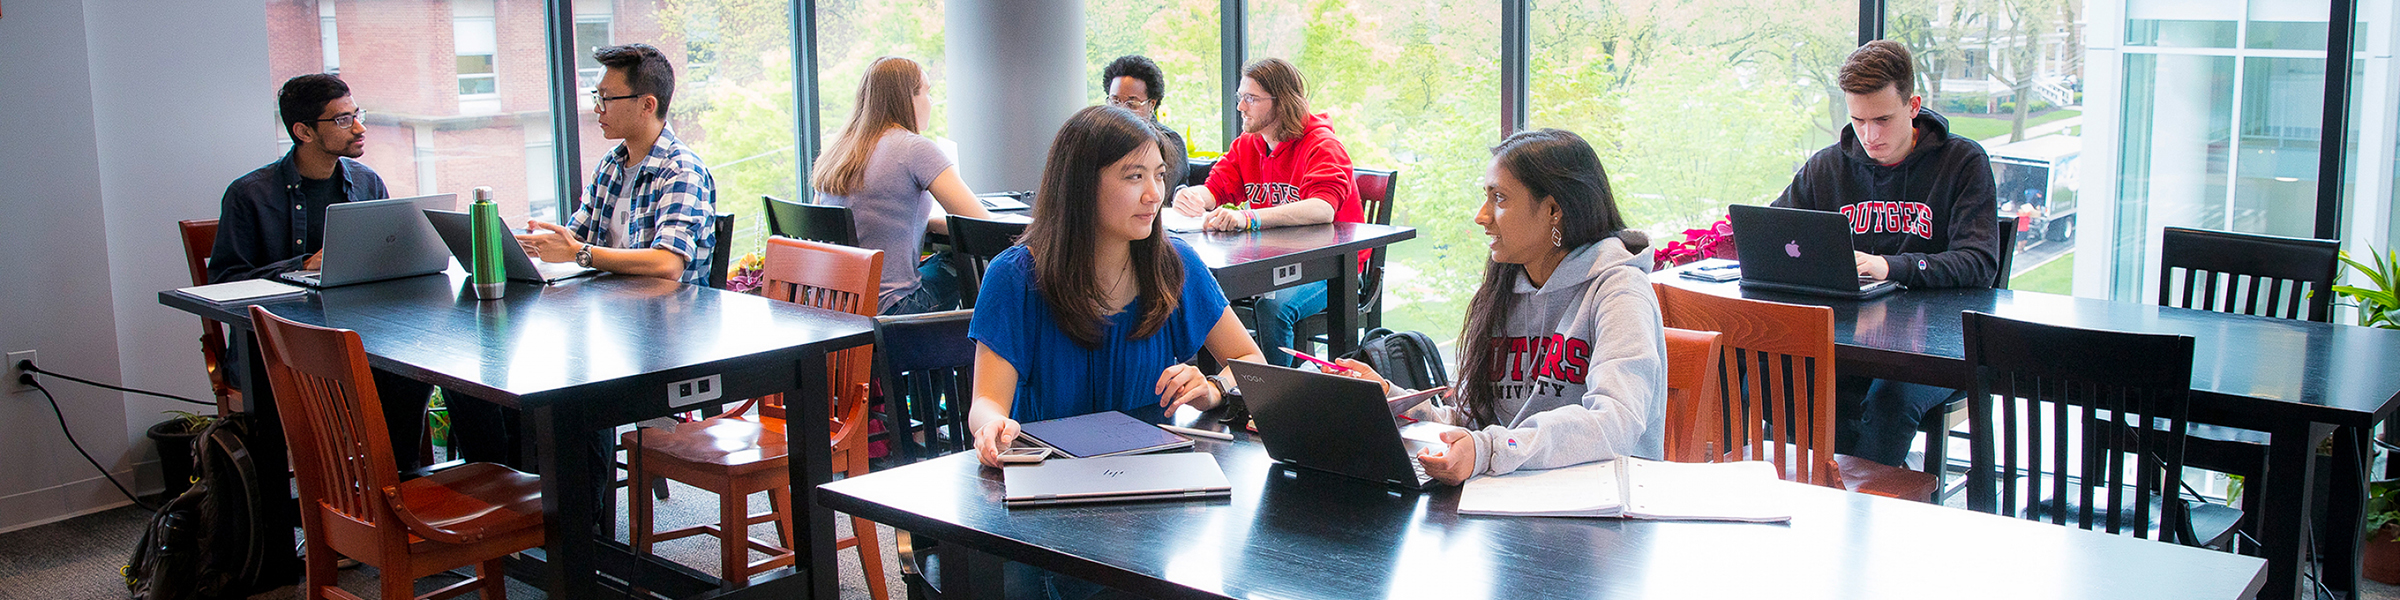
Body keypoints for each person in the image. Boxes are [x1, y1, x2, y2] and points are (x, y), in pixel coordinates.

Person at [1333, 128, 1666, 486]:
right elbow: (1474, 423)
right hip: (1513, 494)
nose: (1482, 215)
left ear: (1554, 210)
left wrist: (1492, 448)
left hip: (1603, 506)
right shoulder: (1502, 288)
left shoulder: (1620, 290)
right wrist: (1389, 398)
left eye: (1500, 199)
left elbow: (1615, 422)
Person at [968, 105, 1268, 470]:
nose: (1154, 195)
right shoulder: (1014, 277)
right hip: (1053, 475)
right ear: (1081, 185)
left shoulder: (1175, 262)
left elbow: (1251, 361)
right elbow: (986, 401)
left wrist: (1213, 388)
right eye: (1133, 177)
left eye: (1159, 176)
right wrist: (991, 426)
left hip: (1149, 474)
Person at [1771, 39, 1999, 467]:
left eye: (1882, 119)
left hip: (1932, 350)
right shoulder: (1827, 167)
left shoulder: (1962, 162)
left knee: (1888, 402)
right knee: (1762, 382)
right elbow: (1774, 234)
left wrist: (1888, 266)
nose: (1870, 135)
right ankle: (1833, 492)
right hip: (1846, 340)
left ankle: (1868, 506)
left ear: (1913, 105)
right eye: (1858, 120)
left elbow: (1980, 262)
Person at [209, 73, 436, 471]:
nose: (359, 127)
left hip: (357, 340)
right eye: (343, 120)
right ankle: (333, 508)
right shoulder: (249, 194)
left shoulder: (366, 182)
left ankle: (396, 496)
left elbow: (387, 267)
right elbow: (225, 281)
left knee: (412, 374)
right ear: (304, 131)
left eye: (356, 114)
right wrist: (301, 266)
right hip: (273, 350)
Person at [1169, 58, 1364, 367]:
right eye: (1240, 97)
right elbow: (1216, 187)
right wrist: (1193, 197)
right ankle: (1224, 394)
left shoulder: (1323, 145)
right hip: (1272, 264)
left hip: (1332, 269)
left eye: (1251, 98)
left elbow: (1323, 208)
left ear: (1281, 101)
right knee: (1203, 293)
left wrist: (1249, 218)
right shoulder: (1248, 144)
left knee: (1272, 309)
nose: (1240, 107)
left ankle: (1275, 404)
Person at [810, 56, 997, 314]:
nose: (931, 102)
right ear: (908, 98)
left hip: (834, 309)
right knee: (967, 261)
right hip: (892, 310)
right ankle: (976, 350)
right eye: (927, 93)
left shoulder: (837, 151)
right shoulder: (914, 148)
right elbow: (980, 225)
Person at [518, 43, 717, 285]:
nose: (597, 108)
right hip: (613, 310)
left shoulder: (681, 170)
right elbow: (576, 236)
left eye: (607, 98)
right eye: (596, 97)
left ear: (647, 105)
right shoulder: (610, 166)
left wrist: (579, 253)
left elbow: (669, 264)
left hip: (668, 316)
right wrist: (537, 241)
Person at [1100, 54, 1188, 186]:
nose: (1121, 110)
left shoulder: (1169, 142)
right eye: (1115, 101)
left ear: (1151, 104)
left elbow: (1161, 194)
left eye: (1132, 104)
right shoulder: (1098, 137)